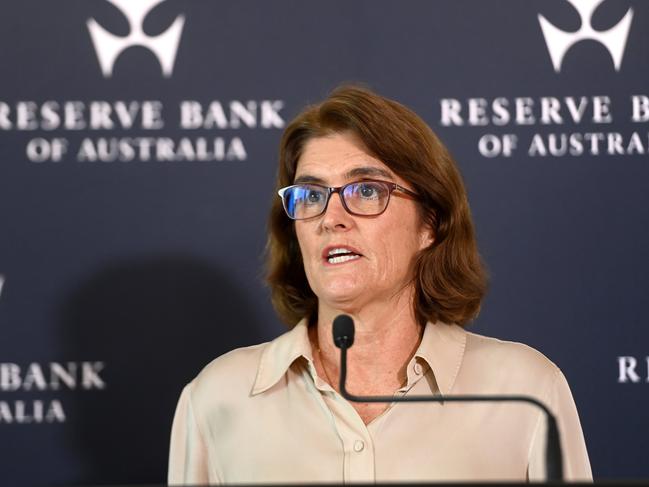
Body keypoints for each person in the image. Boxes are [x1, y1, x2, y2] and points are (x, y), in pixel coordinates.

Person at [168, 85, 592, 483]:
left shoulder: (525, 390)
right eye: (312, 195)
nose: (331, 217)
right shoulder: (217, 397)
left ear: (430, 223)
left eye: (366, 190)